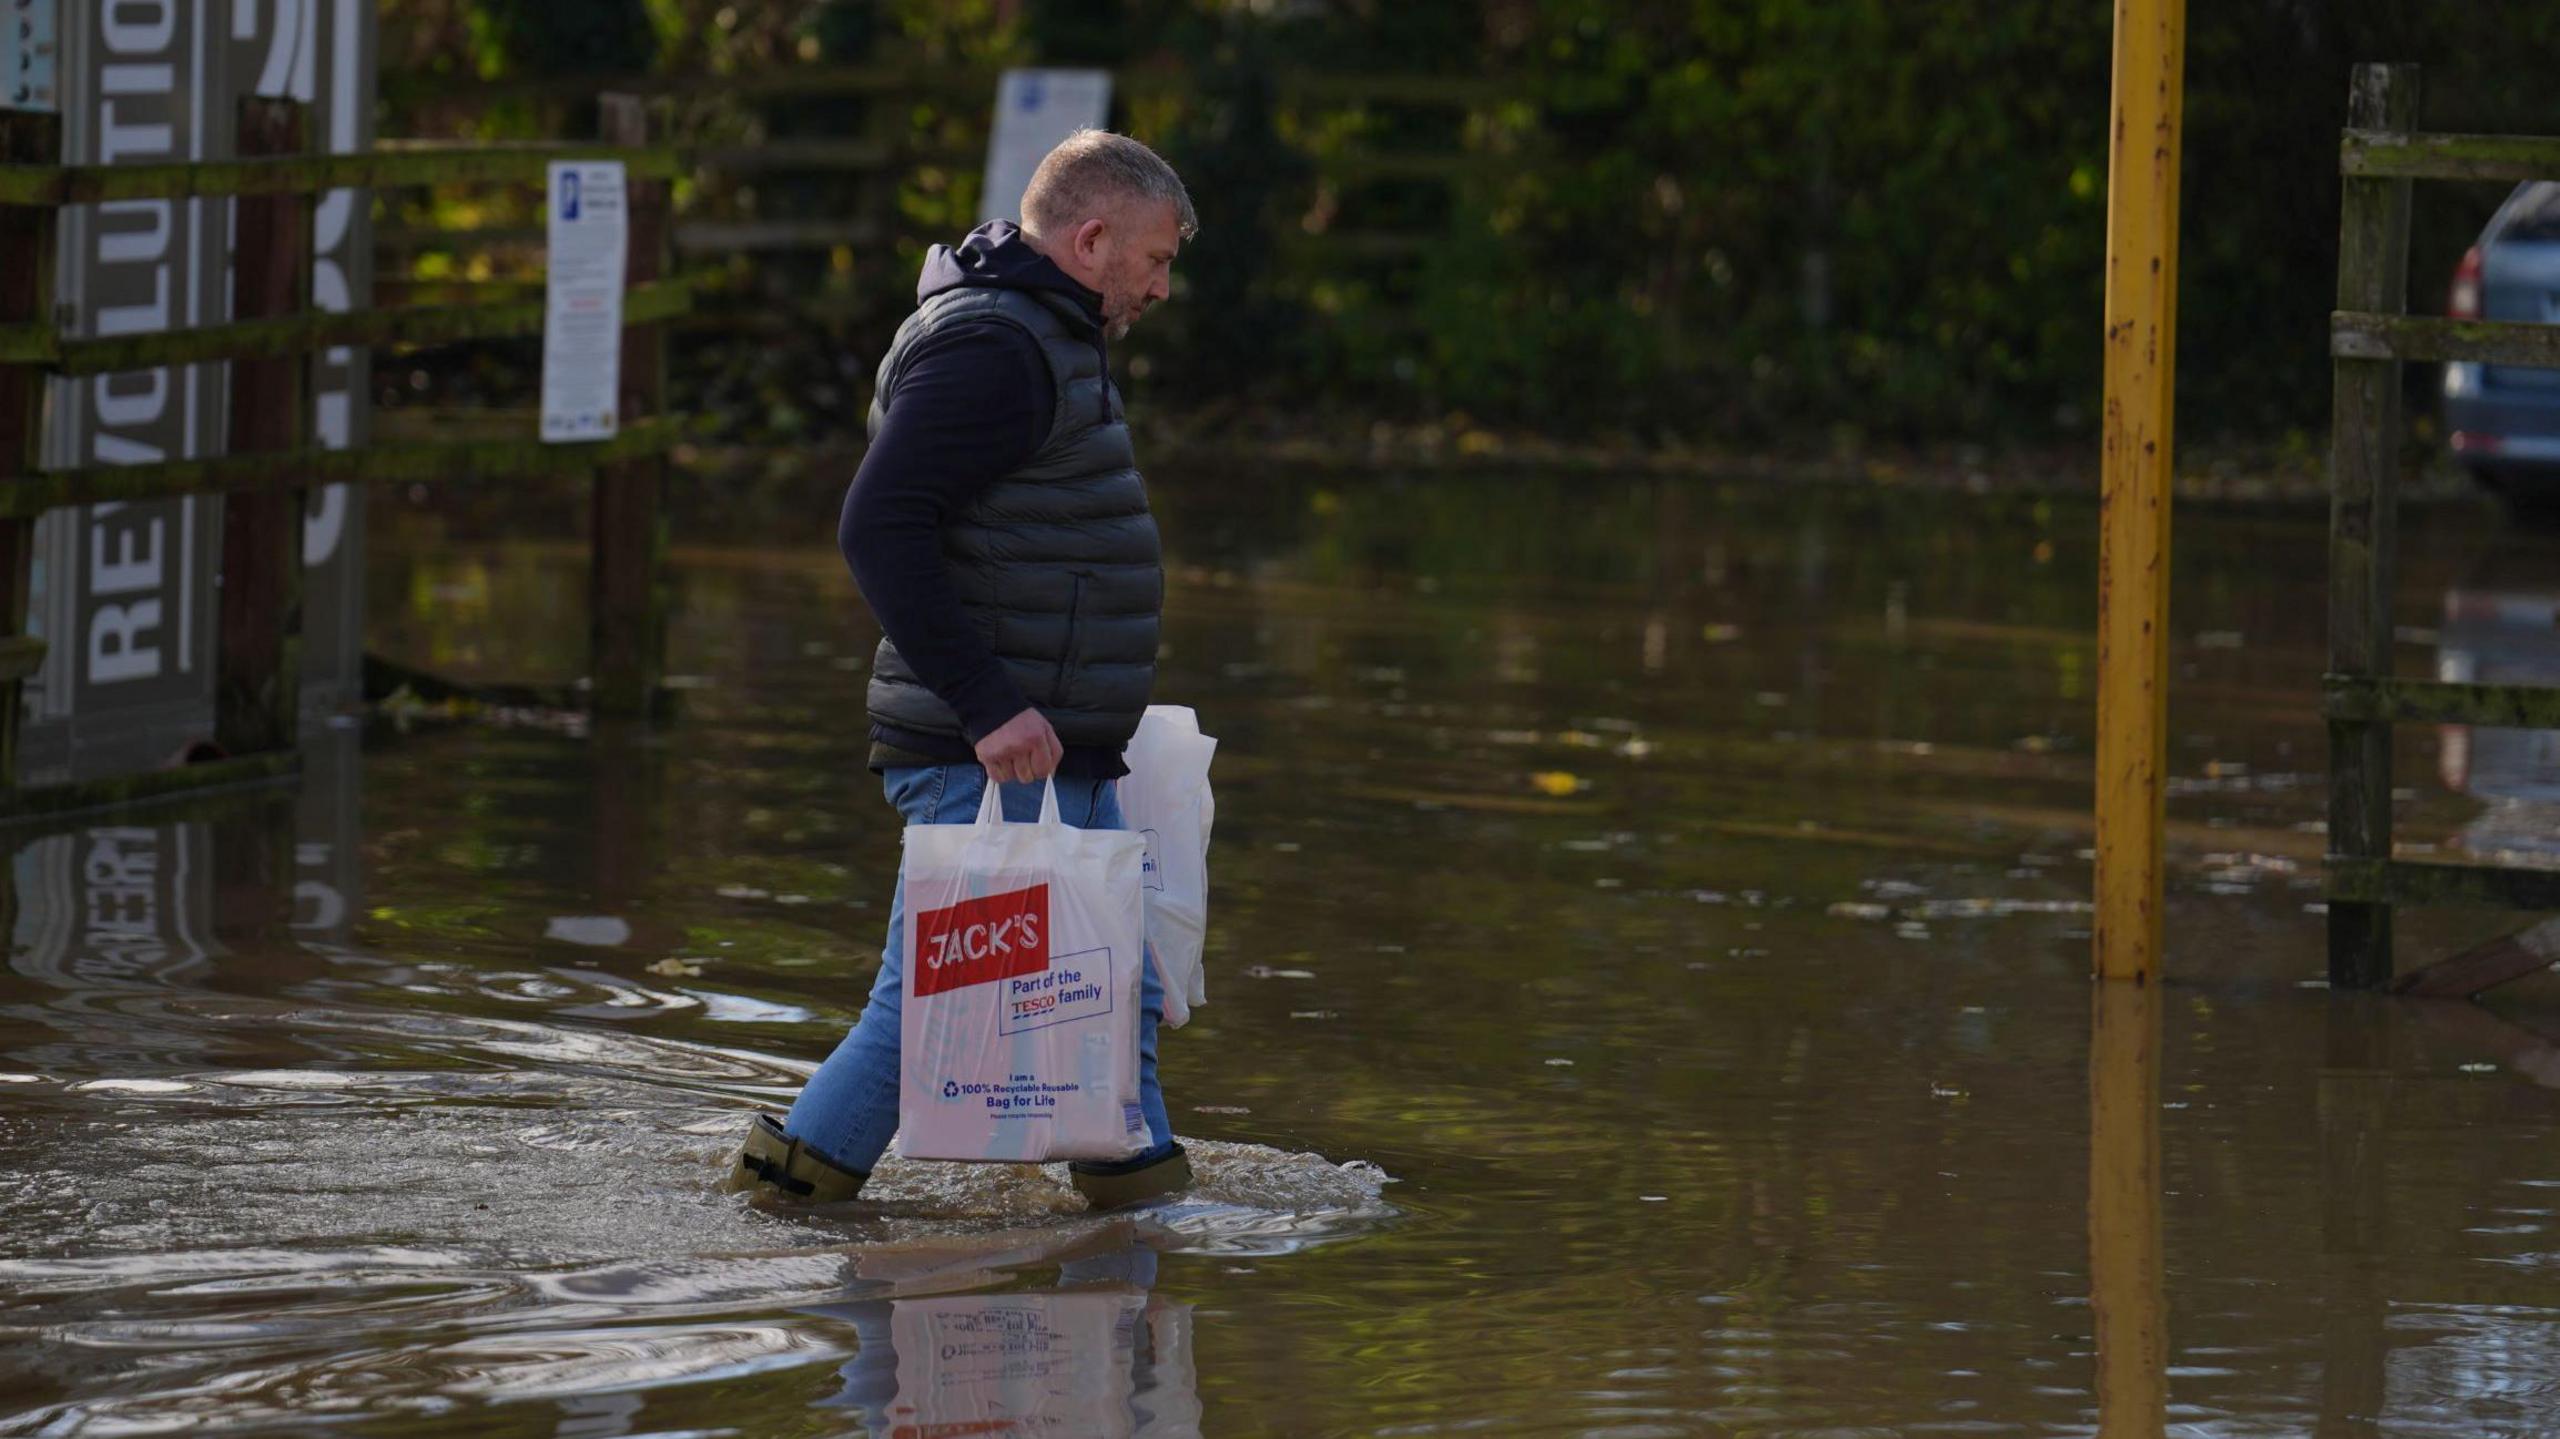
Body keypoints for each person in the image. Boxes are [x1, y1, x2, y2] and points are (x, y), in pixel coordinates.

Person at [723, 130, 1197, 1209]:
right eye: (1156, 260)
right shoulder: (997, 347)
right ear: (1090, 238)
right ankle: (773, 1206)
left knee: (1113, 996)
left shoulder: (1043, 334)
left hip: (1045, 748)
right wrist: (988, 704)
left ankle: (1151, 1225)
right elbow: (876, 524)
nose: (1163, 287)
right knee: (924, 1009)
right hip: (991, 752)